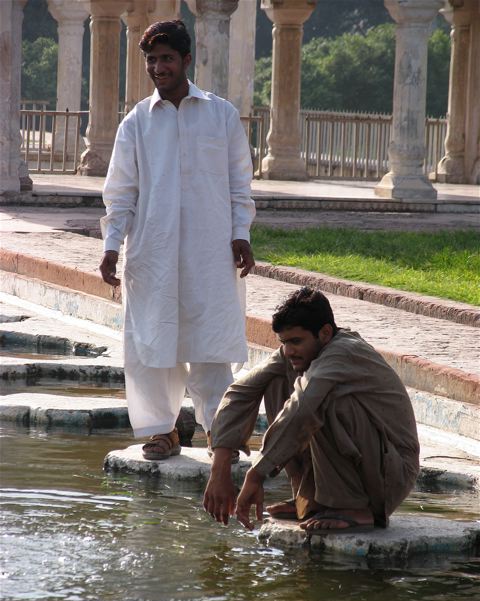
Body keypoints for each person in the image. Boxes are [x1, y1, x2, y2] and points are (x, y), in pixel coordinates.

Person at [99, 20, 255, 460]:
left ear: (187, 60)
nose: (158, 67)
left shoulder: (221, 115)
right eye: (151, 59)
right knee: (152, 344)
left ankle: (221, 434)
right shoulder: (136, 123)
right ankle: (161, 430)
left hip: (210, 250)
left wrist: (241, 233)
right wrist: (111, 245)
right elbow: (121, 191)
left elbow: (239, 183)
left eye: (166, 58)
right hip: (152, 250)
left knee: (210, 345)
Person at [203, 288, 420, 534]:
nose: (288, 350)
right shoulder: (298, 353)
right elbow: (240, 391)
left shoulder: (343, 352)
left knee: (319, 399)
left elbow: (302, 406)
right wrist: (219, 468)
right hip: (370, 464)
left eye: (296, 341)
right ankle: (310, 498)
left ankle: (355, 508)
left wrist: (256, 474)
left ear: (325, 333)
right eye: (284, 342)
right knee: (274, 381)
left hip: (391, 474)